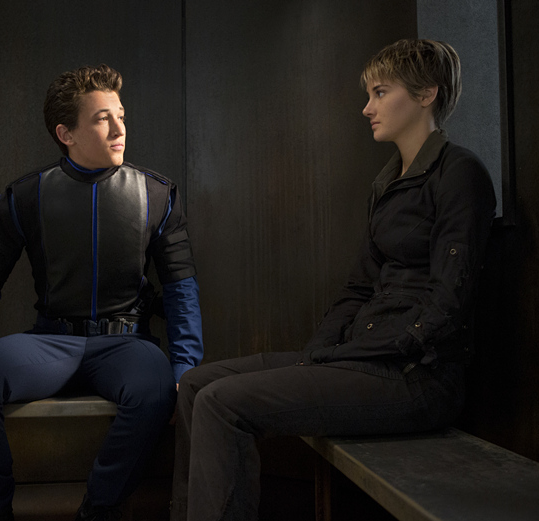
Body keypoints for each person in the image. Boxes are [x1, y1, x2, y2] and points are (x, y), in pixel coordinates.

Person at [170, 39, 496, 521]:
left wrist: (371, 351)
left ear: (426, 94)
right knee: (197, 384)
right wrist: (318, 354)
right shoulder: (387, 181)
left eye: (380, 93)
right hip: (363, 358)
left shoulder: (460, 173)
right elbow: (359, 288)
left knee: (222, 403)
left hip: (417, 377)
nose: (367, 108)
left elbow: (450, 299)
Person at [0, 64, 203, 521]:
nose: (120, 129)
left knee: (157, 392)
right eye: (103, 119)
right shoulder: (26, 196)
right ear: (66, 134)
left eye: (121, 115)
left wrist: (185, 367)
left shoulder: (157, 194)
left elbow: (182, 291)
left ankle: (97, 511)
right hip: (51, 343)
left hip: (128, 346)